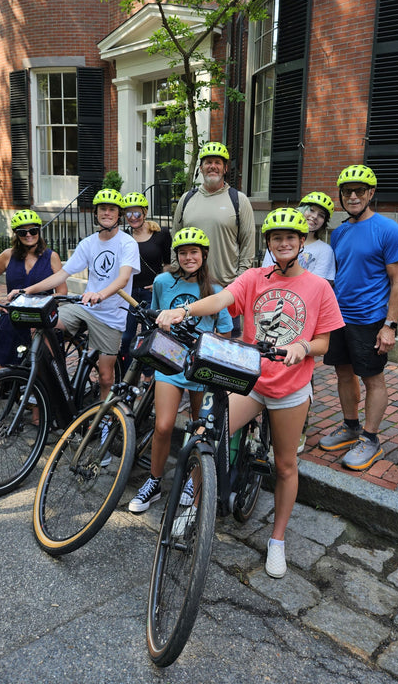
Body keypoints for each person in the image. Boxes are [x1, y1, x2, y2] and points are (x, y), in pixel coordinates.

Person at [157, 208, 344, 578]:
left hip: (290, 388)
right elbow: (221, 300)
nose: (284, 243)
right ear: (269, 244)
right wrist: (185, 312)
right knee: (205, 434)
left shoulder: (318, 287)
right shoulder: (255, 277)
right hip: (251, 381)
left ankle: (277, 540)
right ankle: (194, 508)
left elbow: (325, 341)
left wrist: (303, 347)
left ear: (301, 242)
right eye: (276, 238)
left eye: (290, 237)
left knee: (285, 464)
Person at [128, 227, 233, 513]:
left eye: (194, 252)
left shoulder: (216, 291)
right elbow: (156, 318)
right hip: (170, 362)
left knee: (200, 428)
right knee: (163, 425)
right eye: (183, 253)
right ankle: (154, 482)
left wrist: (205, 349)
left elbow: (225, 331)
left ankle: (193, 480)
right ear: (176, 256)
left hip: (201, 366)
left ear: (204, 255)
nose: (188, 258)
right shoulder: (163, 282)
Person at [9, 189, 140, 402]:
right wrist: (27, 290)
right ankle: (56, 376)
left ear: (119, 215)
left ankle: (104, 416)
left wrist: (100, 294)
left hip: (111, 316)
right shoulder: (88, 243)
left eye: (112, 209)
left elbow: (123, 279)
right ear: (95, 213)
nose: (107, 213)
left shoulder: (127, 243)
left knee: (106, 377)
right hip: (85, 307)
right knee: (45, 321)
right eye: (103, 209)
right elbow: (62, 274)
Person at [319, 164, 398, 471]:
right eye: (347, 191)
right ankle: (351, 427)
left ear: (371, 193)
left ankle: (370, 439)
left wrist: (389, 325)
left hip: (370, 319)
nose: (353, 196)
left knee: (373, 379)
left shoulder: (388, 229)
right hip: (339, 318)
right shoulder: (340, 232)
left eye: (359, 191)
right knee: (343, 373)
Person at [0, 209, 67, 441]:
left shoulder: (51, 257)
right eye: (23, 232)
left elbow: (61, 292)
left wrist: (44, 307)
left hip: (41, 321)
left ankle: (38, 412)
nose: (29, 235)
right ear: (16, 234)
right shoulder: (8, 255)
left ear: (39, 231)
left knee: (45, 368)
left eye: (33, 230)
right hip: (13, 319)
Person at [262, 191, 336, 452]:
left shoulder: (324, 250)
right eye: (310, 210)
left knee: (301, 375)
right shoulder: (279, 241)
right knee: (266, 367)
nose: (314, 216)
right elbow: (266, 276)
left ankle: (298, 429)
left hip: (302, 317)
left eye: (320, 215)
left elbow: (320, 287)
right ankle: (263, 429)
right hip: (274, 311)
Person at [171, 141, 255, 336]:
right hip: (191, 287)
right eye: (208, 162)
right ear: (201, 168)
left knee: (227, 344)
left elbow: (248, 245)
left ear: (225, 168)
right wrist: (177, 275)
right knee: (186, 341)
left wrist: (237, 283)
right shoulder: (186, 199)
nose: (213, 166)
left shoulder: (239, 200)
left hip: (225, 289)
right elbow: (175, 239)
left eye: (218, 162)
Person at [120, 192, 171, 372]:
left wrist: (159, 282)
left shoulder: (161, 234)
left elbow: (168, 263)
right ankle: (125, 375)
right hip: (129, 293)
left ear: (145, 212)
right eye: (128, 213)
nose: (132, 217)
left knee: (149, 336)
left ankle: (148, 376)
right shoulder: (124, 237)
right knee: (126, 337)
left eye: (137, 213)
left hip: (151, 293)